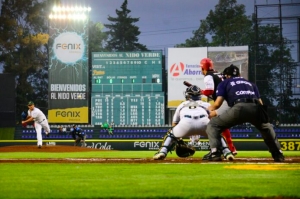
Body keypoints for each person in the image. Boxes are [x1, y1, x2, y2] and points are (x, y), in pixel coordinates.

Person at [204, 64, 284, 162]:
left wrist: (208, 109)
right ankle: (278, 154)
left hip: (239, 108)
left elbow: (217, 104)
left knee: (213, 125)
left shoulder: (224, 83)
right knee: (267, 128)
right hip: (256, 108)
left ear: (226, 76)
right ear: (239, 74)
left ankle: (215, 153)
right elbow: (261, 103)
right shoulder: (250, 83)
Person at [153, 85, 234, 160]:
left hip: (186, 124)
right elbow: (214, 118)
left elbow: (174, 124)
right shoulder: (206, 104)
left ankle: (162, 151)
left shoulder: (182, 105)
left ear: (188, 95)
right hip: (203, 123)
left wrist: (179, 139)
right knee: (216, 133)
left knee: (171, 133)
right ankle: (227, 152)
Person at [200, 58, 237, 156]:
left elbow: (209, 91)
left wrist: (201, 91)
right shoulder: (219, 74)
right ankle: (230, 148)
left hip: (222, 102)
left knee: (210, 119)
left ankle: (217, 149)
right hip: (229, 99)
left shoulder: (208, 76)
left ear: (203, 67)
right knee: (222, 125)